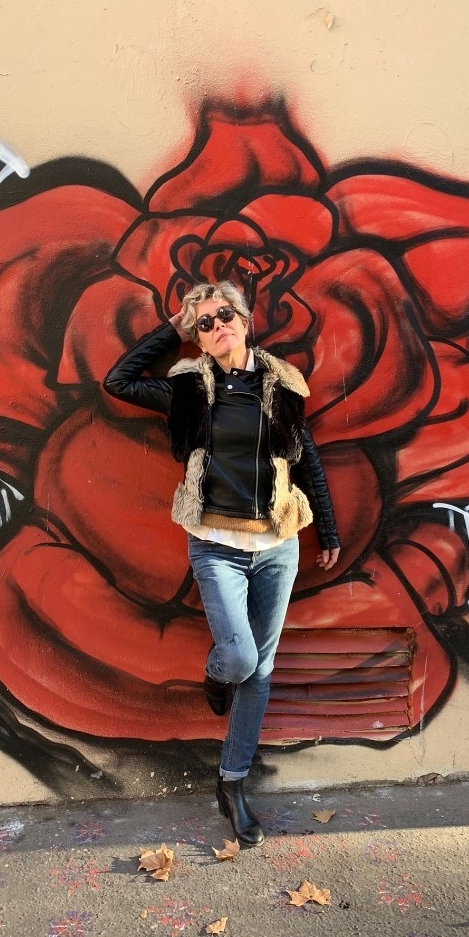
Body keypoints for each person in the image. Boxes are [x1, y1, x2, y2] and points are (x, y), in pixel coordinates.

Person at [104, 281, 340, 846]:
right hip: (215, 546)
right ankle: (216, 674)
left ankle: (231, 785)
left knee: (260, 671)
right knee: (238, 659)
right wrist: (172, 330)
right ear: (199, 338)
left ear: (245, 318)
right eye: (204, 323)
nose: (217, 326)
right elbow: (118, 381)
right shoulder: (187, 387)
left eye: (224, 315)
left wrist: (328, 528)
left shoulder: (283, 384)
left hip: (277, 547)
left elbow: (305, 456)